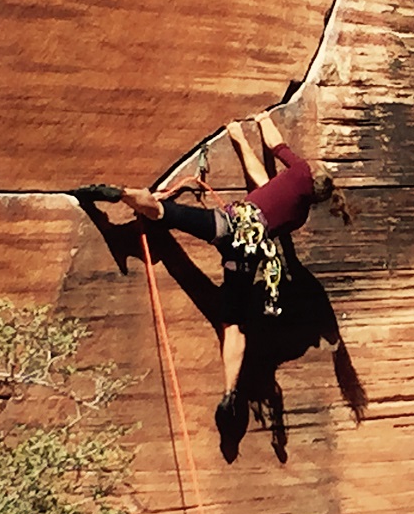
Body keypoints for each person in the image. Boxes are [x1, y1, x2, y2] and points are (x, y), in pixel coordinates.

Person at [115, 111, 351, 432]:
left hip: (226, 224)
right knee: (233, 325)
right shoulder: (299, 216)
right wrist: (240, 140)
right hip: (243, 254)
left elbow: (275, 146)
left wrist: (259, 120)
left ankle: (119, 194)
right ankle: (229, 392)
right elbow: (265, 186)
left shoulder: (299, 172)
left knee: (162, 212)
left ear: (312, 177)